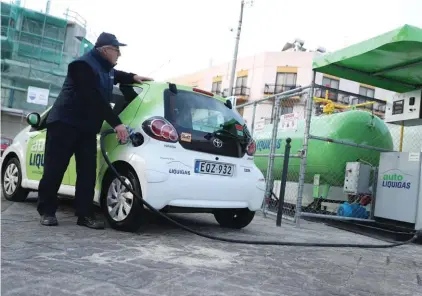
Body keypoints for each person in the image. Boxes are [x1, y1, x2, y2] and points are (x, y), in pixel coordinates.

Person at [37, 32, 153, 229]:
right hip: (64, 124)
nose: (119, 55)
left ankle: (85, 215)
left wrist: (133, 77)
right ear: (105, 50)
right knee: (55, 170)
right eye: (116, 51)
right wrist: (116, 123)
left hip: (86, 128)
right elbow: (93, 98)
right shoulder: (80, 66)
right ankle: (47, 211)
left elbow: (115, 75)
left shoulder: (106, 68)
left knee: (88, 173)